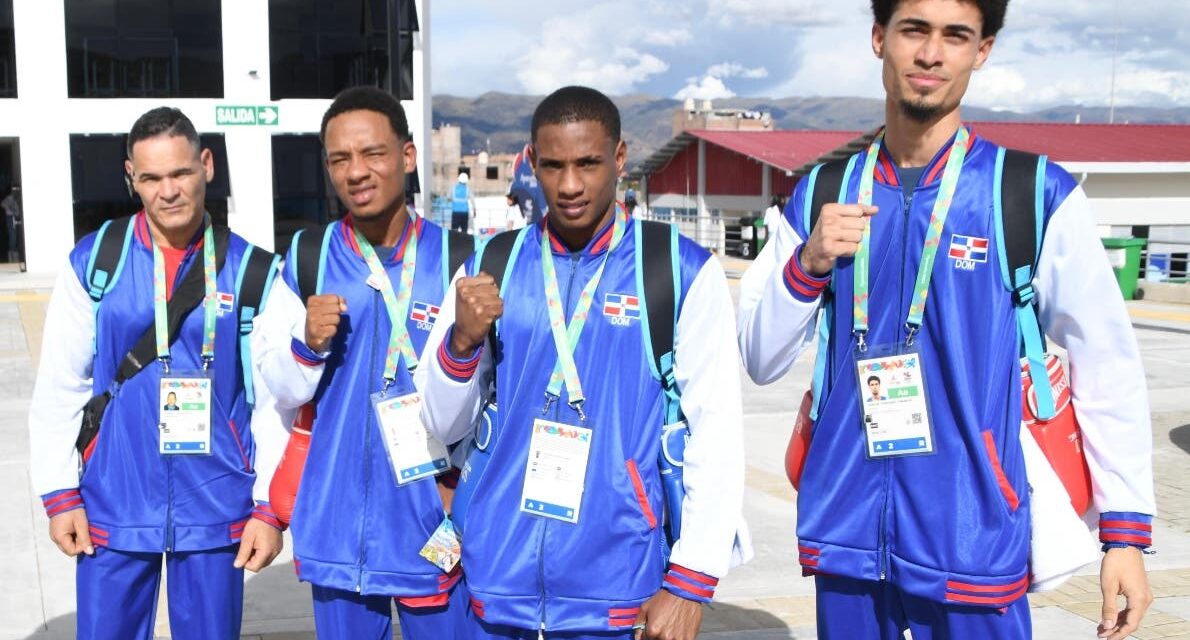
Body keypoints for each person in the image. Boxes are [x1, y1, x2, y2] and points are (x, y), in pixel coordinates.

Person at [736, 1, 1155, 638]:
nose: (931, 54)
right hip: (844, 533)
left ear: (981, 51)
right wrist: (809, 262)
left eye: (955, 36)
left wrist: (1123, 533)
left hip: (974, 536)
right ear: (880, 38)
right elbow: (761, 358)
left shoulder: (1029, 194)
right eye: (914, 31)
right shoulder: (823, 192)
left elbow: (1106, 362)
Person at [416, 85, 747, 640]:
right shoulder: (491, 265)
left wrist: (692, 580)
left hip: (620, 593)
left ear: (619, 158)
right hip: (498, 585)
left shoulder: (678, 270)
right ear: (532, 163)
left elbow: (717, 433)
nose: (570, 185)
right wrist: (461, 343)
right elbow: (440, 422)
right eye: (553, 166)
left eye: (588, 163)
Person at [27, 107, 286, 640]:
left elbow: (275, 405)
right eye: (151, 178)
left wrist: (269, 508)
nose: (168, 191)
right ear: (132, 178)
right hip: (112, 502)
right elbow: (60, 385)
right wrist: (59, 493)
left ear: (207, 165)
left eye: (180, 173)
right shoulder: (97, 261)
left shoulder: (255, 272)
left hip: (216, 504)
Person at [253, 86, 466, 640]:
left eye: (373, 153)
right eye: (340, 159)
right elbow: (275, 386)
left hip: (437, 522)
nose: (357, 172)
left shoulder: (462, 261)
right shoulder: (305, 258)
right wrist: (305, 344)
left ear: (407, 156)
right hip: (337, 525)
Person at [2, 185, 20, 262]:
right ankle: (12, 255)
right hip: (10, 218)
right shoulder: (9, 198)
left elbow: (17, 211)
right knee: (12, 235)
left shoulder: (13, 200)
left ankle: (13, 255)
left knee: (13, 235)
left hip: (12, 218)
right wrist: (10, 210)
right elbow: (3, 204)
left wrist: (14, 212)